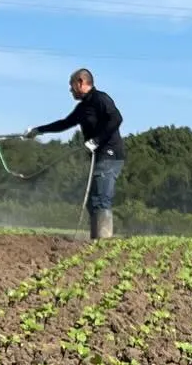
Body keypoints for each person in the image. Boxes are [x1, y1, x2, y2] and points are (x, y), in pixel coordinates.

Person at [26, 69, 124, 239]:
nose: (70, 90)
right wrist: (38, 130)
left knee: (101, 199)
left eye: (72, 86)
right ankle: (96, 240)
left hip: (110, 154)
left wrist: (96, 140)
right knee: (93, 202)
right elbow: (64, 123)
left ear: (80, 82)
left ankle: (104, 243)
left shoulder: (101, 99)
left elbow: (116, 119)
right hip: (98, 156)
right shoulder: (83, 107)